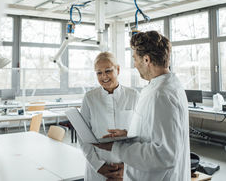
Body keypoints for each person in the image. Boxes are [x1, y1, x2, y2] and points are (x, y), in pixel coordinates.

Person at [94, 31, 190, 181]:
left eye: (135, 59)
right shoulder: (165, 86)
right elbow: (157, 134)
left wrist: (117, 147)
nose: (134, 64)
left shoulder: (161, 95)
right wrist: (129, 134)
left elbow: (164, 155)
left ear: (146, 59)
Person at [79, 52, 139, 181]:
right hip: (97, 170)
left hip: (126, 167)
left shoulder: (133, 96)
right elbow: (83, 136)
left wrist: (127, 167)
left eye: (108, 71)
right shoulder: (90, 98)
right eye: (99, 73)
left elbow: (141, 134)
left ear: (117, 69)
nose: (104, 76)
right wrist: (99, 166)